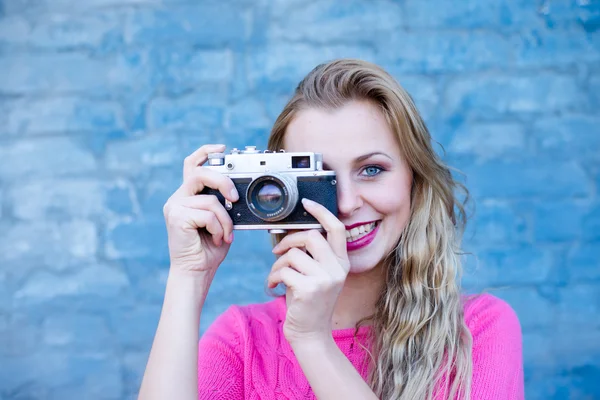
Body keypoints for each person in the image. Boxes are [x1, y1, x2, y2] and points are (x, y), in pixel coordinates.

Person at [138, 59, 524, 400]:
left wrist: (313, 341)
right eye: (320, 178)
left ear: (414, 178)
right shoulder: (243, 341)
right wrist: (188, 275)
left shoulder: (477, 332)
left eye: (372, 170)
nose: (345, 203)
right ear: (277, 192)